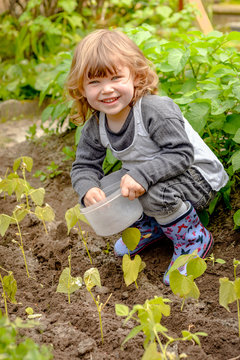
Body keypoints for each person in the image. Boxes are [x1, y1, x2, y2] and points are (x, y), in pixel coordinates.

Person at [68, 29, 229, 285]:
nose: (106, 90)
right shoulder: (96, 124)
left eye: (116, 78)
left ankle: (192, 238)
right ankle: (155, 226)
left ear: (136, 75)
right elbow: (84, 165)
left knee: (150, 192)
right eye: (95, 82)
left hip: (198, 177)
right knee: (112, 184)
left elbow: (181, 154)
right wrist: (88, 189)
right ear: (81, 88)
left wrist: (141, 176)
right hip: (159, 177)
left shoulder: (155, 110)